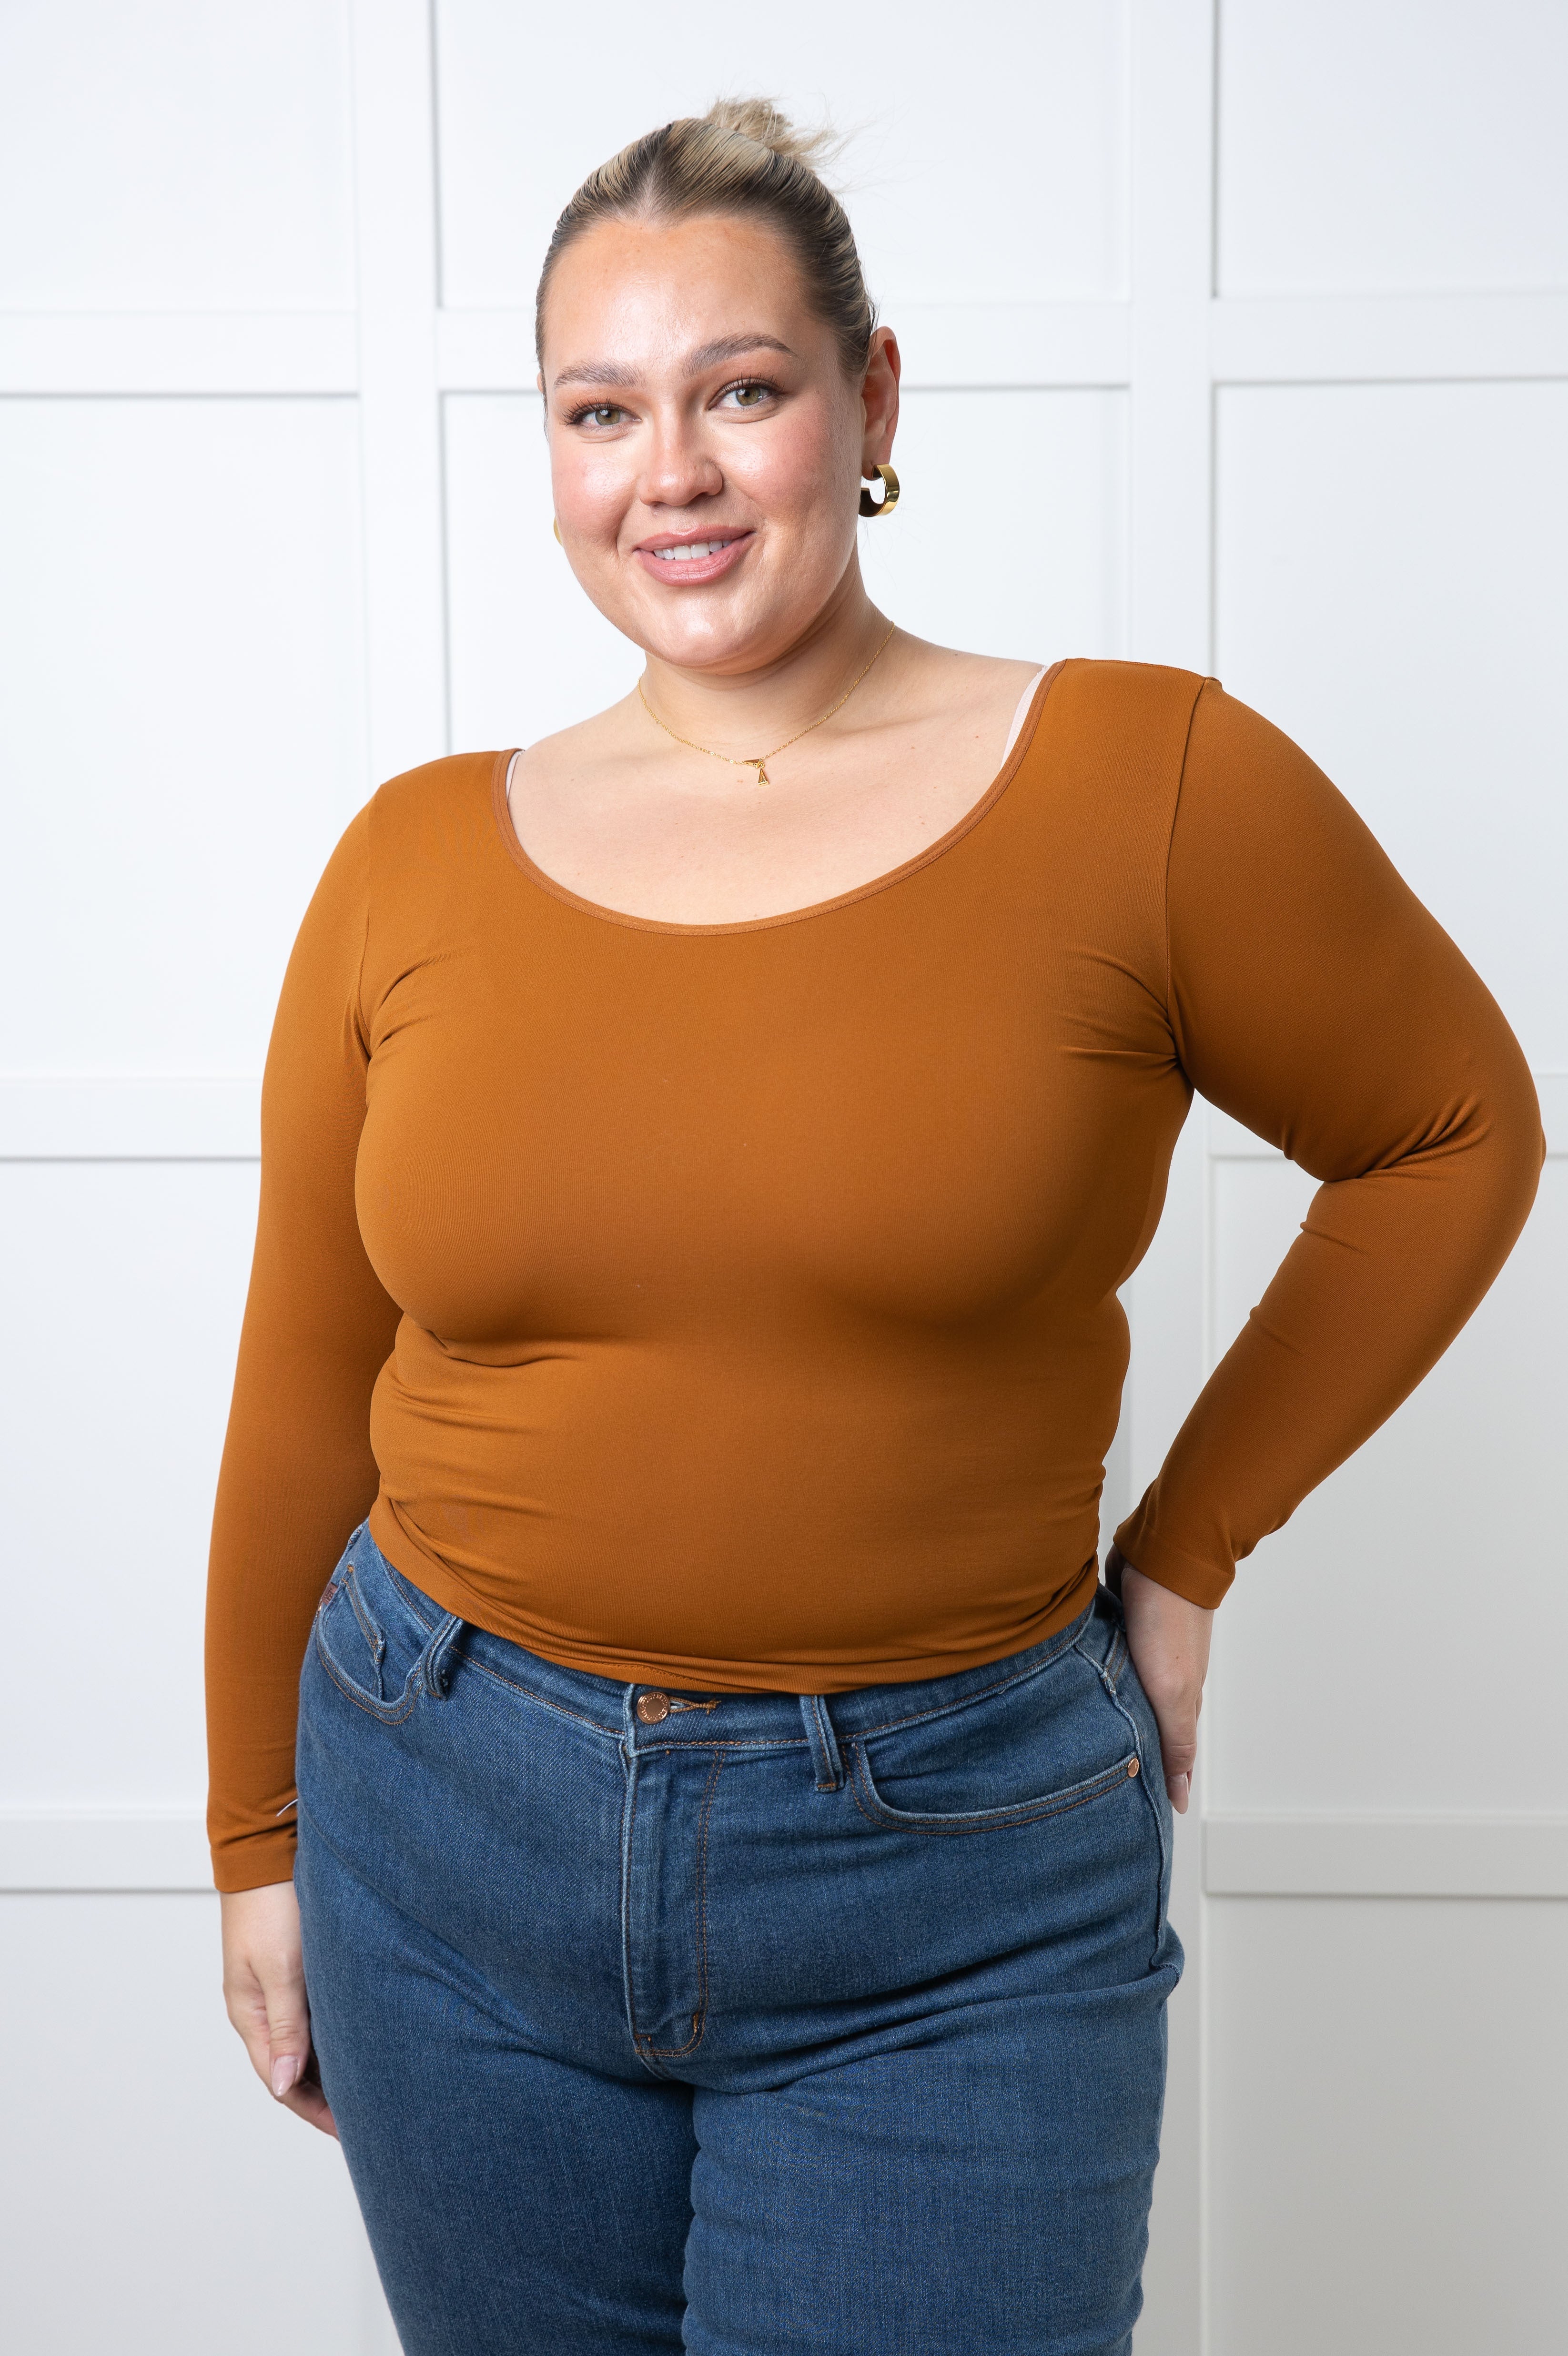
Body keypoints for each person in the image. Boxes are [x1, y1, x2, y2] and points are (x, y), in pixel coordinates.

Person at [208, 99, 1542, 2356]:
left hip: (954, 1882)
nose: (672, 473)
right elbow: (302, 1374)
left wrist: (1188, 1548)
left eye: (739, 389)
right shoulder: (409, 859)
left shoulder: (1145, 783)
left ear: (872, 398)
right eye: (599, 412)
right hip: (443, 1822)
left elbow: (1450, 1128)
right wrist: (258, 1838)